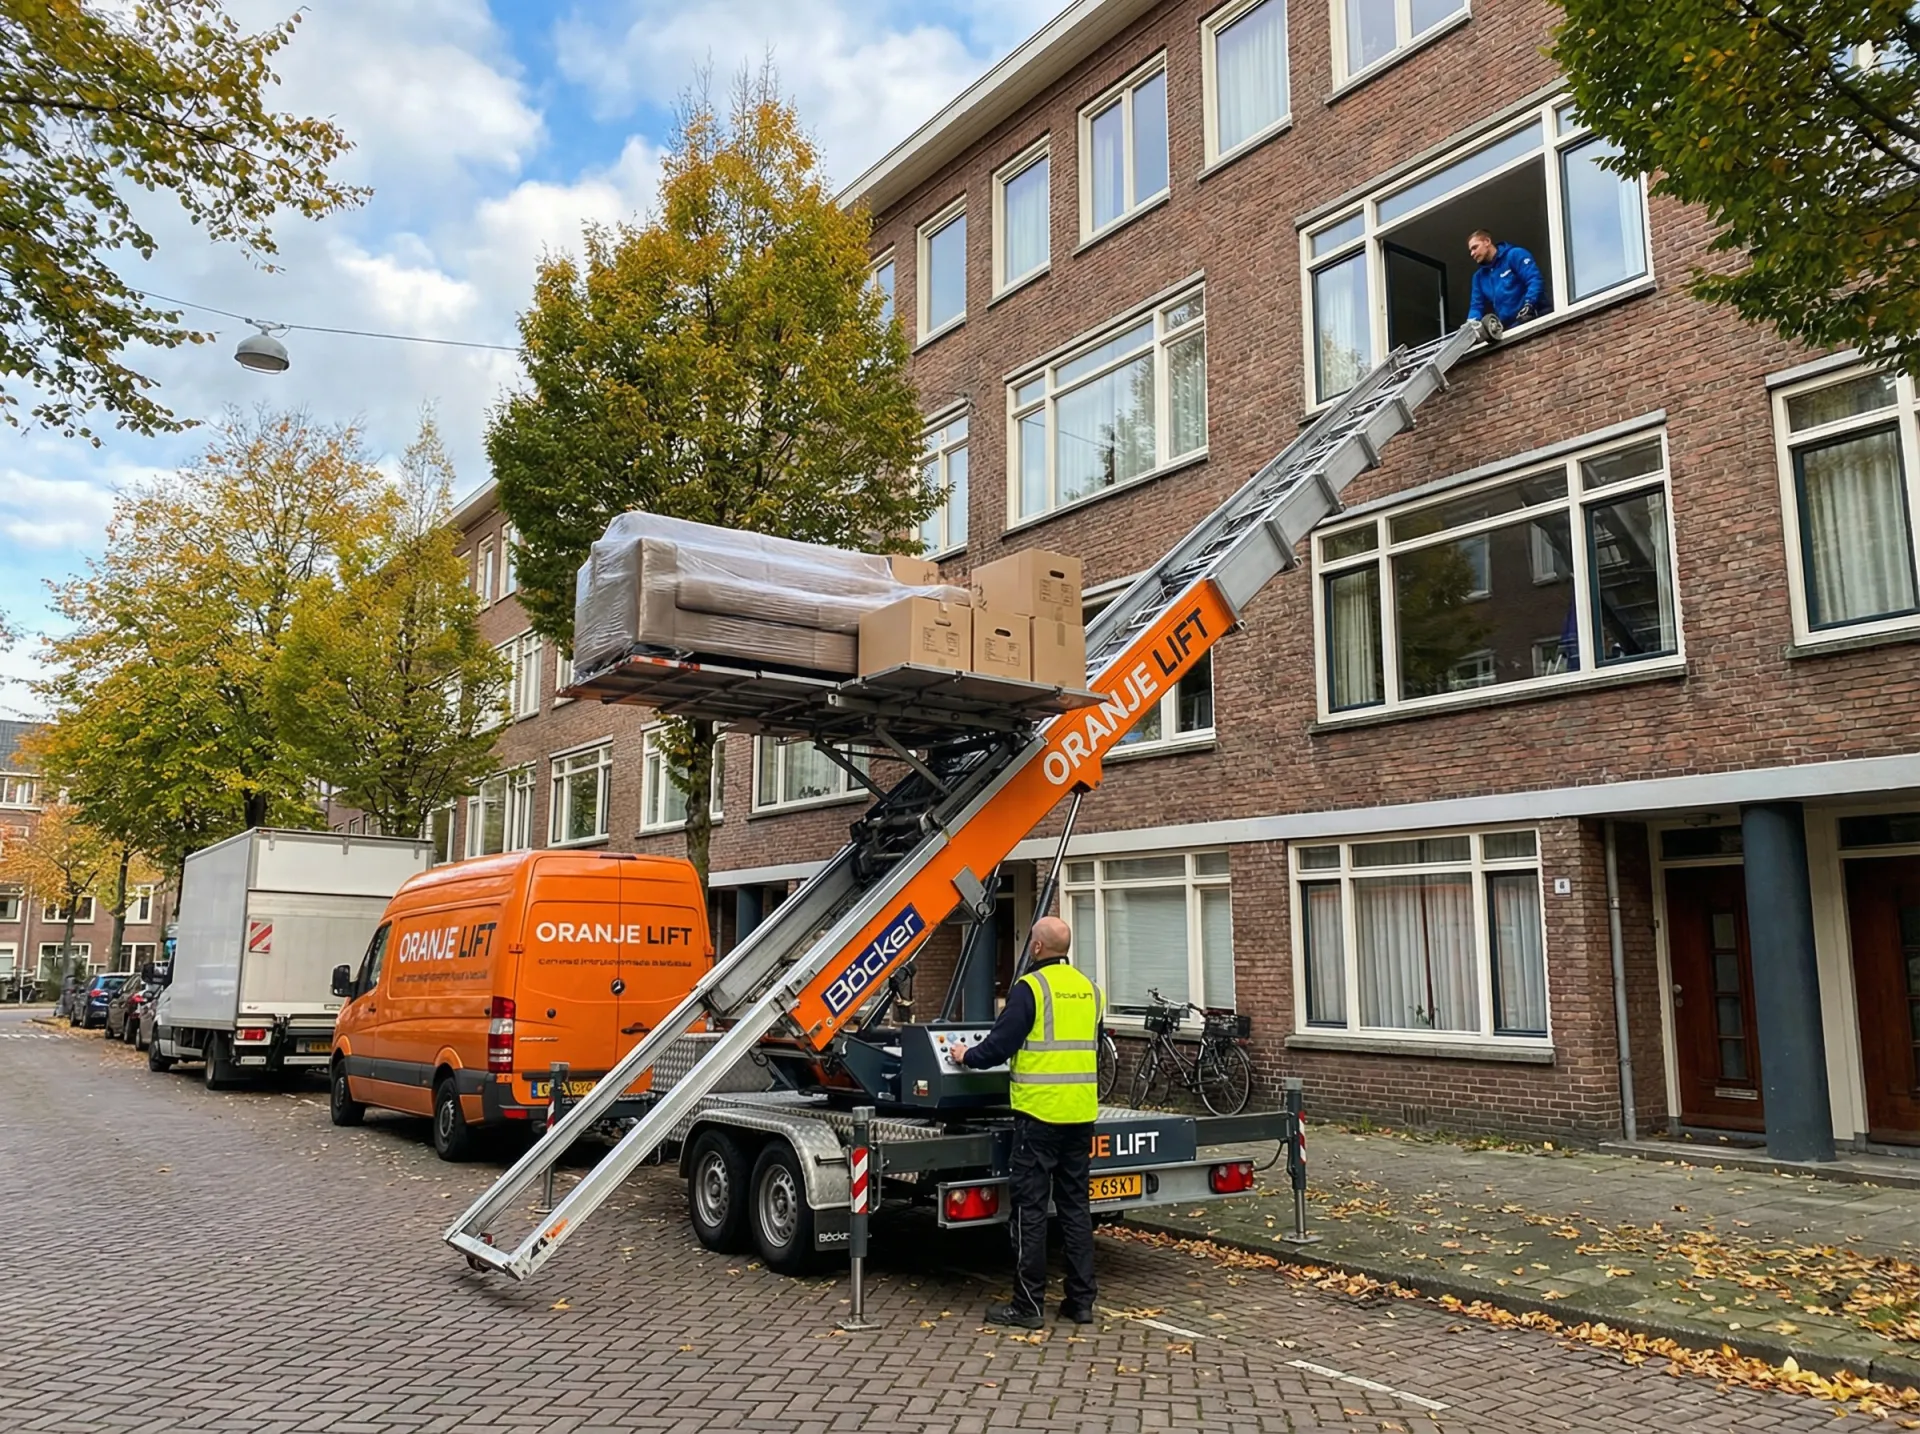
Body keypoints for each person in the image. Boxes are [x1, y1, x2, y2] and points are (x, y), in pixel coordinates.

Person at [950, 915, 1103, 1329]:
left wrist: (967, 1057)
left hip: (1039, 1116)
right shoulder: (1091, 990)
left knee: (1030, 1211)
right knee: (1075, 1208)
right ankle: (1080, 1302)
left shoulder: (1030, 989)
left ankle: (1028, 1306)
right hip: (1081, 1113)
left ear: (1036, 948)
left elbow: (1001, 1045)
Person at [1466, 229, 1546, 341]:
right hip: (1508, 330)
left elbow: (1534, 280)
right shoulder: (1479, 277)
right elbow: (1476, 306)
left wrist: (1529, 304)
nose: (1472, 254)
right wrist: (1470, 327)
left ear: (1487, 241)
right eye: (1470, 250)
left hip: (1533, 321)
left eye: (1475, 247)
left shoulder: (1514, 255)